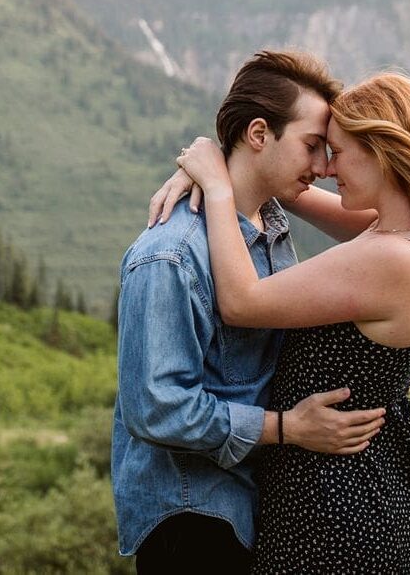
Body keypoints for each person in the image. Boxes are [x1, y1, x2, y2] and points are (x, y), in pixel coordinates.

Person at [165, 71, 410, 573]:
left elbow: (242, 302)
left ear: (383, 149)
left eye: (336, 152)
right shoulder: (402, 230)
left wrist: (215, 188)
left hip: (336, 510)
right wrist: (217, 158)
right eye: (318, 150)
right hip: (363, 484)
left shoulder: (394, 258)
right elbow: (284, 184)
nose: (323, 168)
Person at [112, 50, 388, 574]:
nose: (324, 167)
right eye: (312, 147)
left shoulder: (270, 225)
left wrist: (221, 175)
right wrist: (287, 428)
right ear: (259, 134)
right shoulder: (169, 254)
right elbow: (156, 407)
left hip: (251, 502)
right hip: (193, 519)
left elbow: (394, 223)